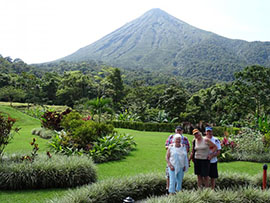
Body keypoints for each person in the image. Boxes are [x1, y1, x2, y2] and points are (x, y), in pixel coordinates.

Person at [165, 126, 190, 192]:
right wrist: (170, 165)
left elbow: (187, 152)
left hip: (181, 166)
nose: (178, 140)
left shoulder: (184, 144)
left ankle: (178, 194)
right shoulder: (171, 144)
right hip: (172, 165)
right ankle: (170, 193)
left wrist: (186, 164)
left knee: (179, 181)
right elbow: (167, 156)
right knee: (171, 180)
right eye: (176, 139)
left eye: (179, 139)